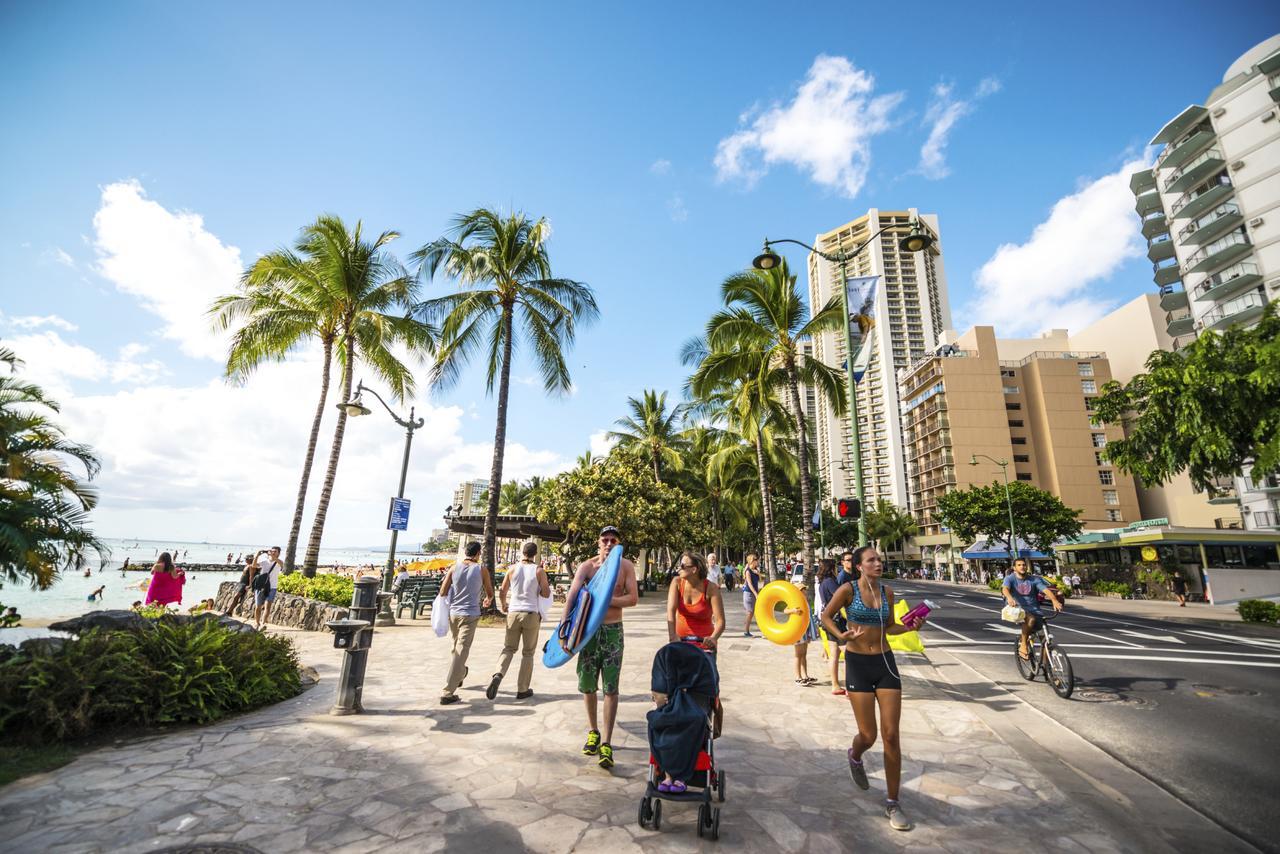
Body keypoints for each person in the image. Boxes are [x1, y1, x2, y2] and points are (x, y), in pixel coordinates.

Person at [821, 546, 926, 832]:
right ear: (859, 566)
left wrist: (911, 627)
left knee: (891, 735)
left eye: (879, 559)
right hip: (857, 664)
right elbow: (825, 616)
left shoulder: (888, 593)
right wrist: (841, 635)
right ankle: (855, 755)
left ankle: (893, 802)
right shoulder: (848, 590)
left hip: (885, 663)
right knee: (869, 735)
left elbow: (890, 627)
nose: (878, 563)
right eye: (872, 560)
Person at [562, 525, 638, 769]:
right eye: (604, 539)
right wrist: (564, 630)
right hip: (588, 633)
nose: (608, 543)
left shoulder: (625, 567)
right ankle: (593, 731)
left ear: (618, 544)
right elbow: (573, 596)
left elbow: (632, 598)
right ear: (598, 542)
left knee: (611, 688)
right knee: (587, 686)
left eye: (613, 540)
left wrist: (605, 599)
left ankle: (606, 741)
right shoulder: (587, 567)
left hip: (613, 632)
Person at [487, 541, 551, 701]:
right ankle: (522, 689)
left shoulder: (512, 569)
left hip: (513, 612)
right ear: (535, 554)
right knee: (528, 653)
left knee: (508, 648)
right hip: (531, 613)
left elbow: (502, 591)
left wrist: (503, 604)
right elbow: (545, 593)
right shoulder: (539, 571)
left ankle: (498, 674)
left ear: (523, 552)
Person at [439, 542, 494, 705]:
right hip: (470, 614)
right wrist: (487, 598)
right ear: (478, 553)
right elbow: (489, 592)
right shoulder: (481, 569)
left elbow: (443, 591)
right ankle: (448, 691)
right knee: (461, 651)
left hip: (454, 614)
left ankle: (461, 673)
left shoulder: (454, 568)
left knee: (456, 648)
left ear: (465, 552)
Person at [1002, 557, 1063, 662]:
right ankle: (1023, 644)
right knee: (1031, 619)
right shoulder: (1010, 578)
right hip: (1018, 610)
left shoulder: (1034, 579)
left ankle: (1048, 670)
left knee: (1046, 640)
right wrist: (1009, 597)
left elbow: (1045, 589)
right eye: (1019, 565)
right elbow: (1005, 589)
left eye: (1024, 565)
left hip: (1035, 610)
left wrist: (1054, 600)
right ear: (1014, 568)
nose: (1022, 567)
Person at [666, 552, 725, 652]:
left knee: (707, 666)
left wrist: (713, 638)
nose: (678, 569)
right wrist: (672, 636)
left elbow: (720, 621)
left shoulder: (711, 588)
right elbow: (671, 611)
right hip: (680, 642)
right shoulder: (677, 583)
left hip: (704, 643)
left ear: (694, 569)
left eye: (682, 566)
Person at [816, 558, 845, 695]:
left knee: (834, 654)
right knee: (850, 653)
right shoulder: (830, 582)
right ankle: (853, 686)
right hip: (836, 621)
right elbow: (841, 598)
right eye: (835, 567)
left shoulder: (822, 583)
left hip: (828, 620)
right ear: (831, 568)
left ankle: (835, 685)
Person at [252, 546, 284, 629]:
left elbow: (281, 564)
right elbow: (254, 565)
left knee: (267, 606)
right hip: (261, 586)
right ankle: (257, 623)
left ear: (278, 553)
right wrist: (257, 555)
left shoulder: (279, 562)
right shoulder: (264, 561)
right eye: (272, 551)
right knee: (258, 606)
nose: (273, 552)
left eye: (275, 551)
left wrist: (271, 555)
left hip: (272, 587)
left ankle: (263, 623)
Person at [741, 553, 762, 637]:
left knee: (753, 612)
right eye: (756, 560)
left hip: (754, 593)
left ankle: (748, 630)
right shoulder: (747, 571)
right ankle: (746, 631)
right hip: (748, 594)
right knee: (750, 612)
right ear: (752, 561)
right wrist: (756, 594)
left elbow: (759, 580)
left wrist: (758, 573)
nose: (757, 561)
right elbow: (749, 584)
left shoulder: (755, 570)